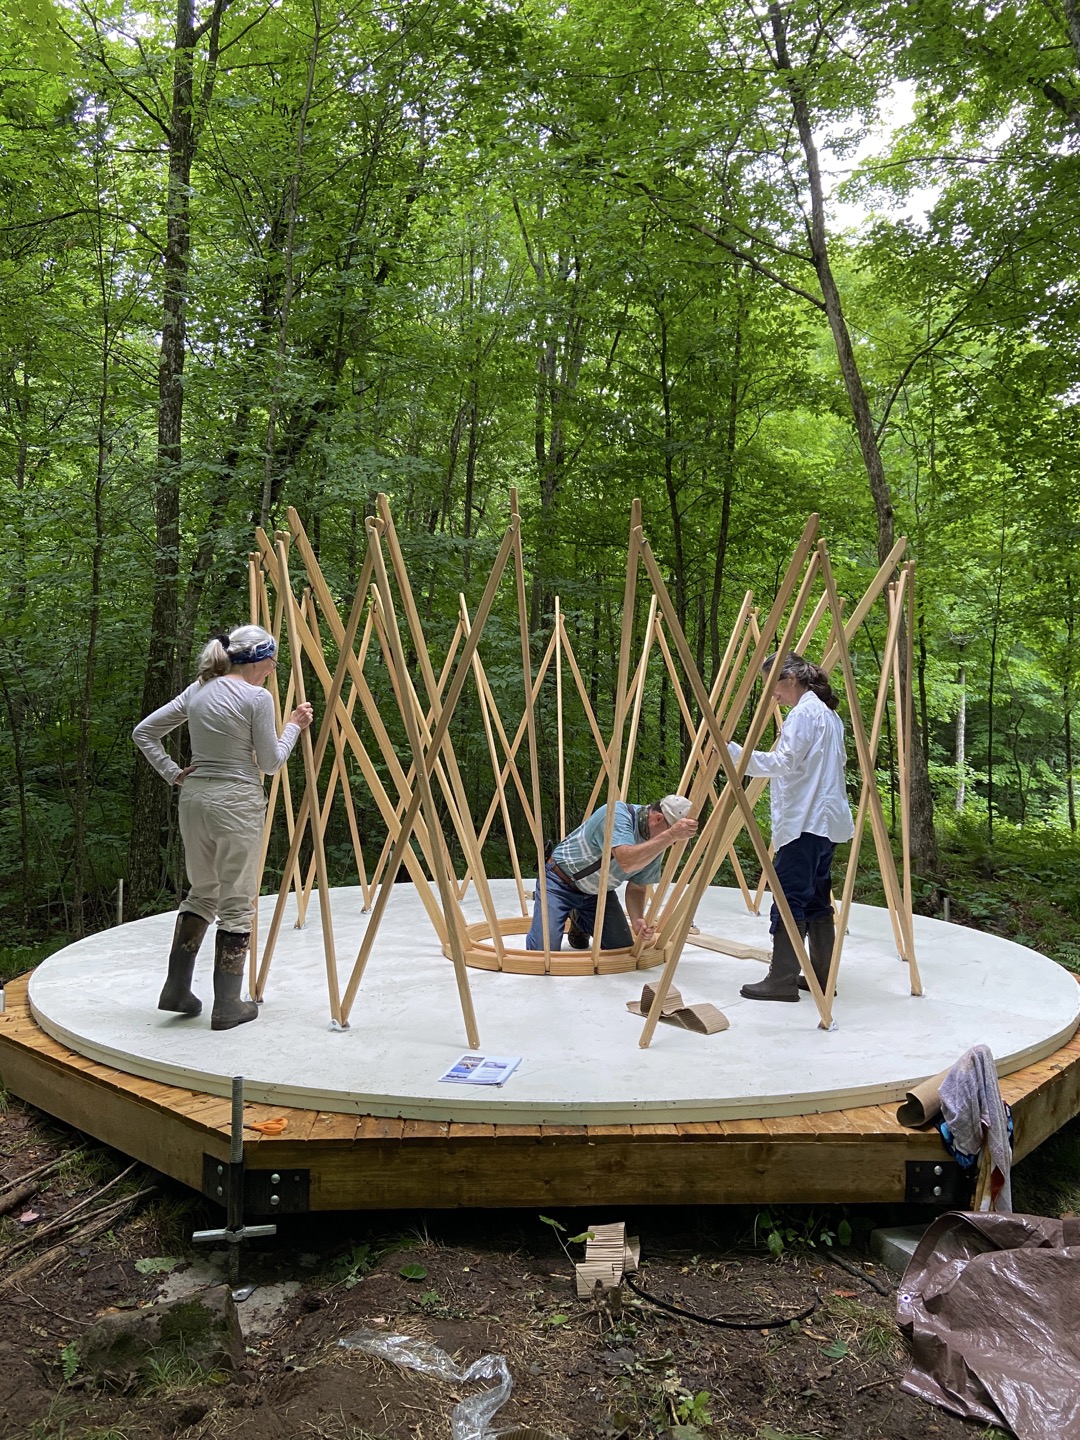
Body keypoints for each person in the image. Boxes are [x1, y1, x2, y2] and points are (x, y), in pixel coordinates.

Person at [132, 625, 313, 1030]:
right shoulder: (256, 697)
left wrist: (174, 773)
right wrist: (294, 727)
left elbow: (144, 732)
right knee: (237, 901)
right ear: (258, 660)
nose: (272, 670)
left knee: (203, 892)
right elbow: (269, 764)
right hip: (236, 801)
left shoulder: (199, 689)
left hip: (194, 799)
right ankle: (228, 1004)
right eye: (272, 662)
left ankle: (176, 989)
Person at [726, 652, 854, 1002]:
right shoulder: (828, 715)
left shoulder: (804, 714)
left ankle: (782, 979)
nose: (773, 695)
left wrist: (735, 754)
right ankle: (821, 977)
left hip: (806, 821)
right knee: (815, 899)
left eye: (774, 685)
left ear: (791, 679)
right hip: (825, 822)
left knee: (787, 898)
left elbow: (784, 763)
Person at [525, 795, 698, 952]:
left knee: (621, 947)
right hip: (560, 882)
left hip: (598, 894)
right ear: (659, 818)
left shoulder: (657, 845)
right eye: (673, 836)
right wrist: (670, 836)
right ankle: (573, 912)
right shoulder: (618, 814)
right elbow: (626, 861)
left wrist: (638, 920)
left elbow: (638, 887)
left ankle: (579, 918)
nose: (672, 842)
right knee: (542, 952)